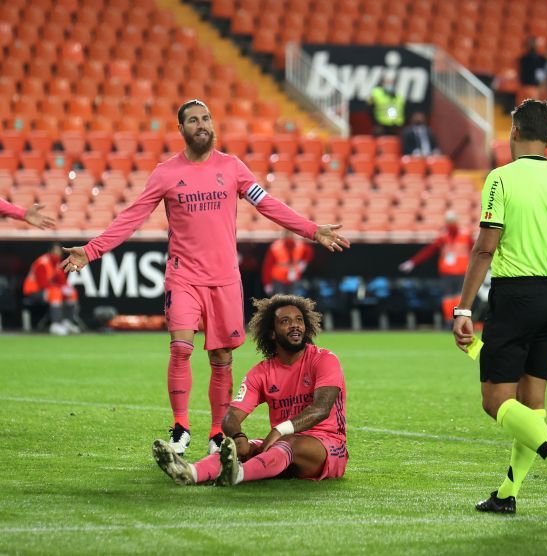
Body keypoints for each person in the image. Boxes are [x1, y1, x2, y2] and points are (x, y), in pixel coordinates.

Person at [60, 99, 350, 457]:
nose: (202, 124)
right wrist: (91, 250)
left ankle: (216, 433)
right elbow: (133, 216)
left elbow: (267, 203)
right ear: (181, 130)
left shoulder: (232, 168)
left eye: (206, 118)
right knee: (181, 347)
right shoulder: (166, 173)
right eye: (193, 120)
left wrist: (311, 230)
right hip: (183, 276)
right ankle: (181, 427)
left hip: (225, 279)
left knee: (222, 358)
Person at [452, 99, 547, 520]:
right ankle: (507, 493)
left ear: (513, 133)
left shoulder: (501, 179)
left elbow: (485, 246)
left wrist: (463, 310)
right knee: (532, 406)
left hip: (514, 297)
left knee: (496, 401)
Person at [152, 294, 347, 486]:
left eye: (299, 320)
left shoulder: (324, 360)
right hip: (281, 444)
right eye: (285, 321)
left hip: (327, 447)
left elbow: (321, 409)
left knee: (290, 443)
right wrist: (239, 438)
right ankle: (190, 473)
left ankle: (238, 474)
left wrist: (279, 430)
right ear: (272, 332)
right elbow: (230, 417)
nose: (295, 325)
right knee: (243, 449)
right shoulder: (261, 372)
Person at [399, 210, 473, 320]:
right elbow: (429, 251)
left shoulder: (466, 235)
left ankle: (459, 319)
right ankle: (450, 320)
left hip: (461, 272)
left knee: (459, 297)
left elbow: (475, 251)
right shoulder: (443, 236)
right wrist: (413, 262)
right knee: (448, 297)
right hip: (447, 272)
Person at [22, 242, 80, 335]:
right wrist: (60, 288)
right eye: (55, 252)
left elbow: (62, 282)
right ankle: (55, 324)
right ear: (50, 252)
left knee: (71, 292)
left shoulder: (57, 264)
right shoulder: (42, 262)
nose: (58, 254)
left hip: (48, 291)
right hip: (33, 292)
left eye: (59, 252)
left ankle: (68, 322)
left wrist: (66, 289)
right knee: (55, 292)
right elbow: (43, 284)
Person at [261, 230, 314, 296]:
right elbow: (267, 266)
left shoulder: (300, 245)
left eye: (291, 234)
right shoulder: (275, 247)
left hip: (293, 278)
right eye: (287, 234)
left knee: (293, 301)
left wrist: (304, 263)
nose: (289, 236)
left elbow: (309, 252)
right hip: (278, 278)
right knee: (280, 302)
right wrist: (267, 283)